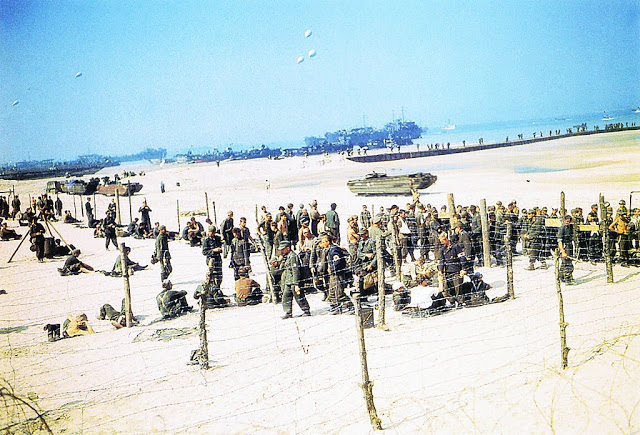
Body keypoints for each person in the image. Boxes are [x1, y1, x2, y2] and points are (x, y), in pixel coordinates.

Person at [272, 240, 310, 319]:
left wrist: (296, 284)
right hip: (288, 280)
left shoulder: (293, 256)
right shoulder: (286, 256)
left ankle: (306, 310)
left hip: (294, 281)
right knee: (286, 296)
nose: (281, 251)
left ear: (288, 248)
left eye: (283, 249)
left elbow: (295, 271)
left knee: (299, 296)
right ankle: (288, 312)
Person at [436, 231, 465, 306]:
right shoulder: (442, 249)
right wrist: (440, 270)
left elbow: (462, 258)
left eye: (442, 241)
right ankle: (452, 301)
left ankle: (460, 302)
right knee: (445, 289)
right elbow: (441, 260)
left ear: (446, 239)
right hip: (447, 271)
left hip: (456, 270)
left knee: (458, 288)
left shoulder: (456, 246)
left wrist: (463, 269)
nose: (441, 242)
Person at [557, 215, 575, 283]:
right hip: (564, 247)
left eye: (569, 221)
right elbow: (560, 241)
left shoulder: (570, 227)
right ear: (564, 221)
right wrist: (563, 251)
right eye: (566, 221)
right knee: (567, 263)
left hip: (569, 246)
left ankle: (561, 276)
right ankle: (567, 278)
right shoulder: (562, 228)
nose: (568, 222)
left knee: (566, 262)